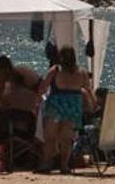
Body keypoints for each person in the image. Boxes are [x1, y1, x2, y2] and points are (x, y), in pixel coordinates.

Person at [38, 46, 91, 174]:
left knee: (50, 137)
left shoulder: (55, 70)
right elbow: (87, 89)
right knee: (67, 139)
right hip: (73, 108)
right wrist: (91, 105)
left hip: (56, 107)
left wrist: (40, 96)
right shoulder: (82, 72)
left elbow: (43, 88)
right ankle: (64, 165)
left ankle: (46, 164)